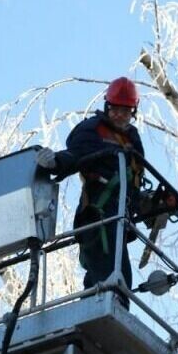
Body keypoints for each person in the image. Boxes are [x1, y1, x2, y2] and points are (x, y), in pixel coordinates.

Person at [36, 77, 145, 302]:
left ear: (132, 112)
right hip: (97, 213)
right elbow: (76, 156)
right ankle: (101, 319)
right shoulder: (92, 130)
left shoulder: (133, 142)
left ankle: (95, 326)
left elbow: (134, 187)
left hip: (120, 217)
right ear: (107, 107)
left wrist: (156, 204)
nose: (119, 116)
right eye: (115, 110)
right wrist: (55, 161)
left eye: (125, 112)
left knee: (116, 275)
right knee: (110, 274)